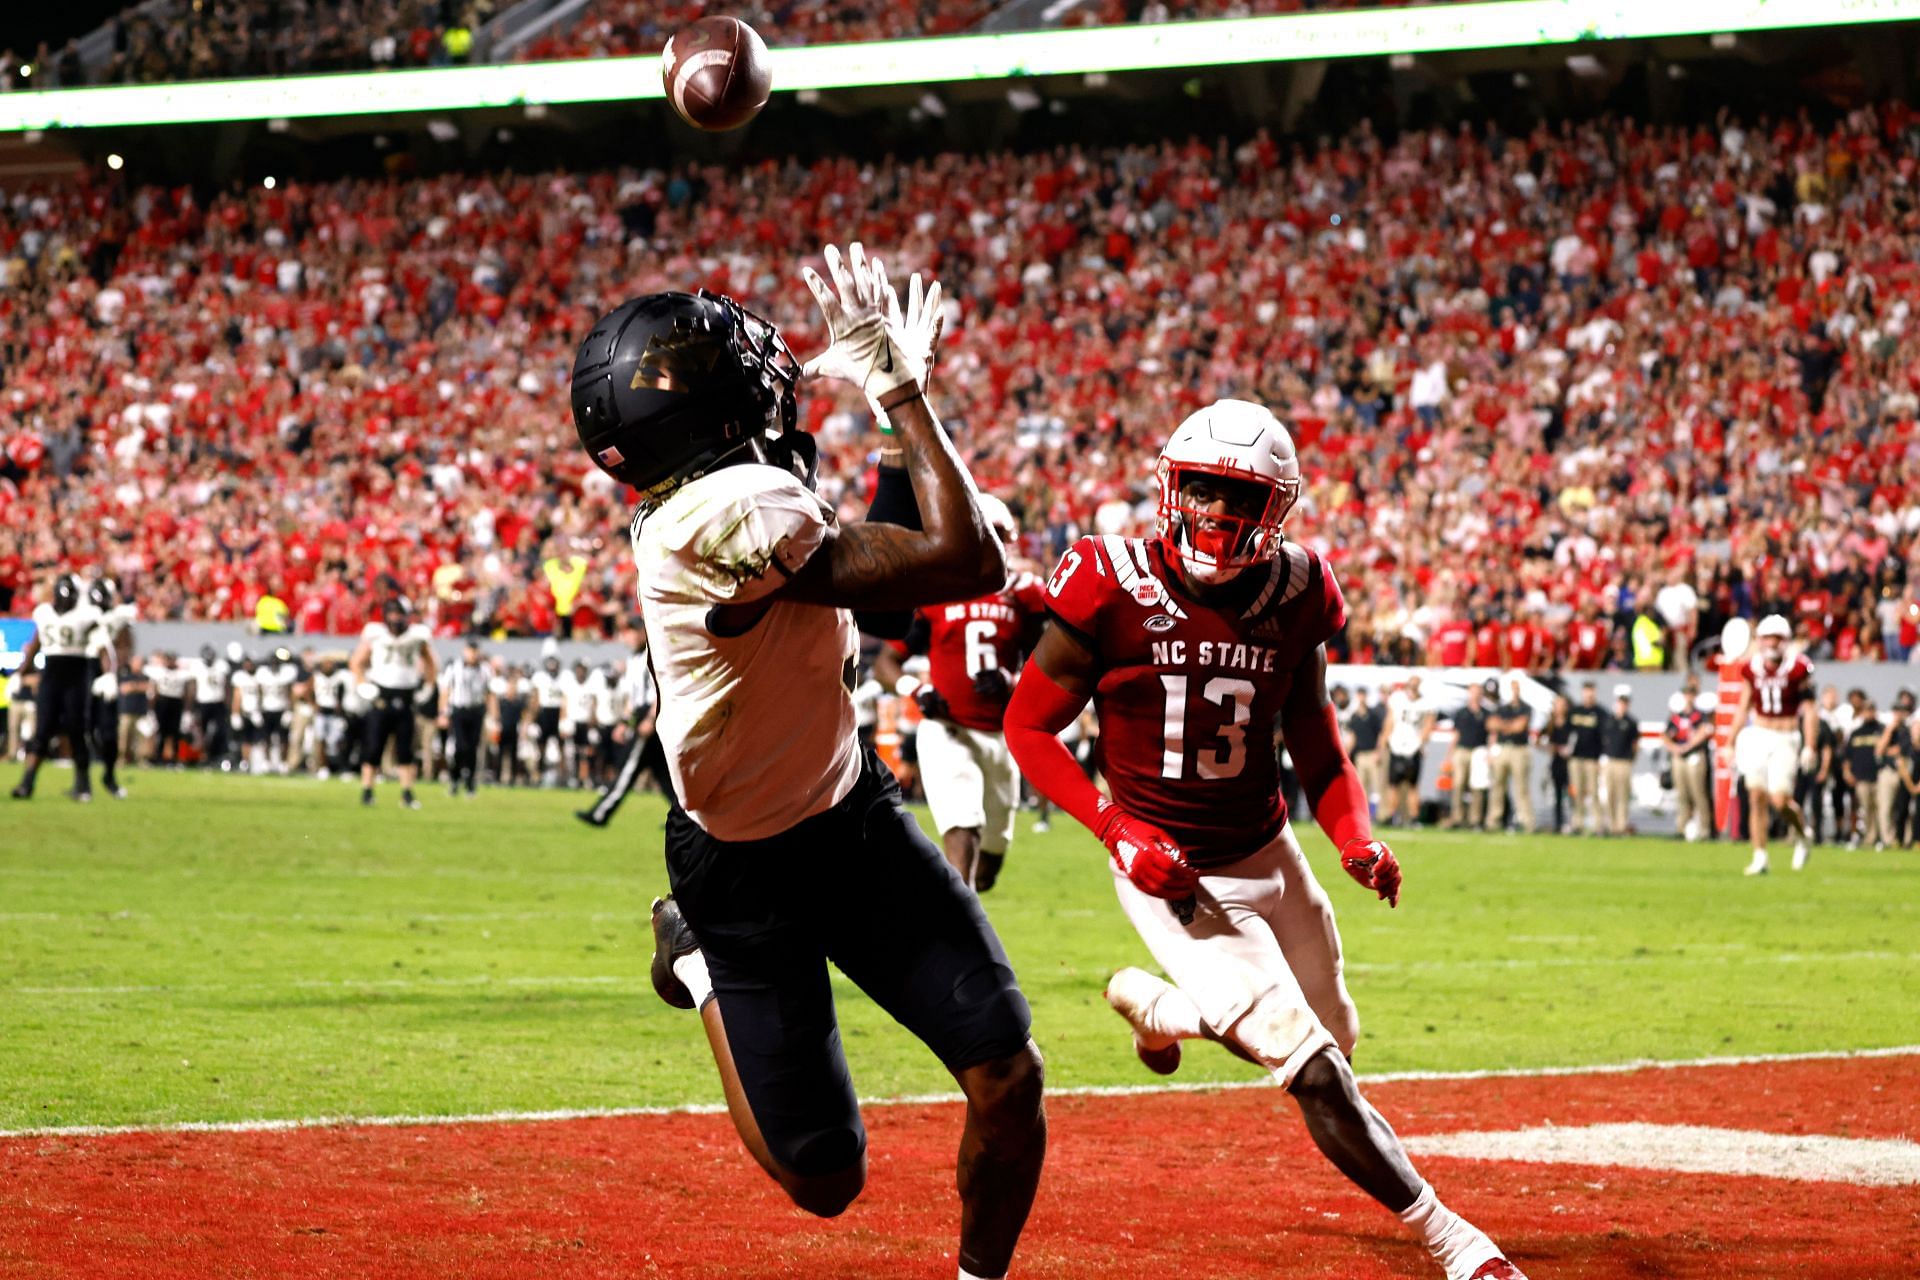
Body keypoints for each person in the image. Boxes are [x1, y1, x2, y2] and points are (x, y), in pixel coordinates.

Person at [578, 248, 1044, 1279]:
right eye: (722, 364)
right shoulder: (723, 512)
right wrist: (902, 393)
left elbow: (873, 593)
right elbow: (970, 560)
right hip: (740, 867)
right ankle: (696, 956)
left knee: (1008, 1073)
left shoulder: (719, 492)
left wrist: (887, 430)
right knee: (824, 1178)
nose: (759, 365)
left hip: (851, 818)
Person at [1004, 398, 1525, 1280]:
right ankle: (1456, 1243)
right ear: (1170, 486)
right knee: (1312, 1067)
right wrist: (1114, 828)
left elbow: (1318, 739)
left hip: (1270, 850)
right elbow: (1028, 728)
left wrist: (1355, 836)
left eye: (1238, 494)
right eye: (1202, 487)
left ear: (1276, 507)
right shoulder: (1107, 579)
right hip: (1171, 872)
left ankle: (1165, 1009)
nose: (1214, 509)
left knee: (1339, 1036)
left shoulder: (1298, 590)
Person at [876, 493, 1046, 891]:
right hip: (948, 728)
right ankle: (963, 937)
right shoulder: (936, 592)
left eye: (997, 536)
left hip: (1002, 734)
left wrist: (1012, 681)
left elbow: (1050, 664)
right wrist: (915, 690)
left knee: (988, 864)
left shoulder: (1027, 591)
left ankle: (966, 905)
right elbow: (887, 663)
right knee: (963, 830)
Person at [1730, 614, 1817, 875]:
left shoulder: (1798, 667)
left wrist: (1810, 745)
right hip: (1758, 733)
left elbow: (1810, 710)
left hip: (1786, 736)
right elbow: (1743, 707)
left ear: (1785, 640)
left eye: (1777, 637)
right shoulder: (1751, 668)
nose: (1772, 642)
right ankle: (1760, 856)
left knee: (1780, 800)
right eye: (1767, 637)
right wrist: (1728, 741)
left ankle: (1802, 835)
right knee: (1755, 795)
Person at [11, 573, 104, 802]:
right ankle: (27, 783)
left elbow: (103, 643)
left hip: (76, 675)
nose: (65, 602)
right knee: (42, 731)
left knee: (76, 730)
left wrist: (107, 674)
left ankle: (83, 785)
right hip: (51, 675)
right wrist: (20, 674)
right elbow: (36, 644)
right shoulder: (44, 613)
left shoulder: (86, 614)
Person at [349, 595, 438, 809]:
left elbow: (431, 664)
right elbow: (356, 662)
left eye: (399, 613)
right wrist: (362, 684)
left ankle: (407, 793)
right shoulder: (376, 634)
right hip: (381, 697)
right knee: (373, 748)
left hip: (406, 697)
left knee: (406, 751)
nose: (395, 618)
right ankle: (367, 791)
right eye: (392, 613)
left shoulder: (418, 636)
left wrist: (427, 686)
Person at [578, 647, 668, 827]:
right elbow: (633, 698)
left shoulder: (654, 652)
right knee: (664, 775)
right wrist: (625, 722)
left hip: (651, 713)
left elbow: (663, 686)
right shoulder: (634, 660)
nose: (626, 635)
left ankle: (601, 813)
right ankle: (687, 818)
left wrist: (651, 718)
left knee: (629, 768)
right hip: (642, 714)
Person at [86, 579, 136, 798]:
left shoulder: (118, 619)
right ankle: (82, 781)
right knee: (81, 730)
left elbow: (124, 647)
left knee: (109, 733)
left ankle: (109, 775)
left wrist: (111, 674)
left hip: (107, 680)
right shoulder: (82, 616)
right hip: (84, 677)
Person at [1381, 675, 1432, 826]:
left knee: (1412, 785)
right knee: (1393, 785)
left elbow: (1428, 725)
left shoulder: (1426, 703)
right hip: (1397, 745)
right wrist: (1385, 741)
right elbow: (1390, 721)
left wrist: (1420, 743)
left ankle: (1414, 818)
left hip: (1413, 747)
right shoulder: (1397, 700)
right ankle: (1392, 816)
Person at [1485, 676, 1533, 833]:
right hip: (1502, 749)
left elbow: (1520, 726)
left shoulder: (1525, 707)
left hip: (1519, 749)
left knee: (1521, 787)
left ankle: (1526, 821)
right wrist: (1510, 725)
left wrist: (1503, 726)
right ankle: (1493, 820)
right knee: (1497, 786)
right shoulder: (1502, 708)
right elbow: (1491, 724)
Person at [1663, 691, 1713, 842]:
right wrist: (1675, 748)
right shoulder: (1676, 717)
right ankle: (1682, 827)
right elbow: (1665, 735)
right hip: (1680, 758)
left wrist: (1688, 746)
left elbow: (1703, 731)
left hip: (1695, 756)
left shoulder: (1699, 715)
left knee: (1698, 793)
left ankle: (1705, 828)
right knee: (1682, 794)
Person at [1445, 682, 1491, 830]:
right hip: (1462, 750)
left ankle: (1475, 819)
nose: (1476, 695)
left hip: (1479, 751)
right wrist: (1449, 754)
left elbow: (1491, 735)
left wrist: (1490, 752)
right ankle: (1457, 818)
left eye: (1478, 692)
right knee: (1458, 784)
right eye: (1473, 692)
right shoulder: (1462, 712)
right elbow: (1456, 734)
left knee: (1477, 786)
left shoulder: (1486, 713)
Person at [1842, 699, 1884, 850]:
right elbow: (1847, 756)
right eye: (1866, 710)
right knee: (1865, 808)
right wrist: (1847, 772)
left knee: (1881, 808)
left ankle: (1881, 837)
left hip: (1879, 776)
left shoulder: (1882, 730)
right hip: (1861, 777)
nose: (1869, 713)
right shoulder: (1856, 733)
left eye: (1871, 710)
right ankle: (1870, 837)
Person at [1795, 700, 1839, 844]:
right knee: (1797, 802)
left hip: (1815, 768)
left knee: (1816, 803)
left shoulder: (1823, 726)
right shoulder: (1798, 724)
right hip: (1800, 769)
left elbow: (1827, 749)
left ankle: (1817, 834)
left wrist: (1824, 770)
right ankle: (1797, 832)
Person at [1599, 685, 1639, 836]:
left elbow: (1635, 745)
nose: (1622, 704)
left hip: (1624, 761)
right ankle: (1610, 824)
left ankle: (1621, 826)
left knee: (1622, 795)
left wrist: (1631, 760)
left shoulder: (1631, 722)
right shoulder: (1608, 720)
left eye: (1625, 701)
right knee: (1609, 794)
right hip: (1609, 760)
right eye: (1620, 701)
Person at [1566, 683, 1604, 835]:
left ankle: (1598, 824)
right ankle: (1577, 822)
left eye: (1591, 692)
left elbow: (1604, 738)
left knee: (1594, 792)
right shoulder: (1575, 711)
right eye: (1586, 692)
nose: (1588, 695)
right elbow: (1567, 732)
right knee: (1577, 792)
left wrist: (1601, 758)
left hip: (1592, 759)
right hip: (1576, 758)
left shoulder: (1600, 713)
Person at [1344, 685, 1385, 817]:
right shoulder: (1354, 717)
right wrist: (1347, 752)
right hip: (1360, 755)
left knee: (1377, 786)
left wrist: (1378, 752)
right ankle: (1364, 815)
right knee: (1362, 788)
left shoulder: (1373, 715)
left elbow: (1380, 734)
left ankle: (1380, 815)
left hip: (1372, 753)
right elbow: (1353, 736)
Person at [193, 644, 233, 770]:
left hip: (218, 703)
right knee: (202, 733)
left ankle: (218, 756)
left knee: (220, 731)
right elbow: (193, 686)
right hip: (203, 703)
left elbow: (227, 686)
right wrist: (191, 708)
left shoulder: (221, 666)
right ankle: (203, 757)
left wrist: (228, 704)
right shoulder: (197, 666)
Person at [148, 652, 192, 766]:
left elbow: (186, 692)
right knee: (162, 731)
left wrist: (187, 710)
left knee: (175, 733)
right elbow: (154, 691)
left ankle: (175, 758)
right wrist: (151, 709)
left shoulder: (181, 674)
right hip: (163, 702)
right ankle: (158, 757)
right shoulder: (159, 672)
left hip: (176, 703)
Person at [1544, 695, 1573, 833]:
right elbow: (1540, 740)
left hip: (1569, 763)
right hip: (1556, 762)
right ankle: (1558, 823)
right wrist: (1553, 748)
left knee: (1571, 793)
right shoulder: (1550, 723)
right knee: (1557, 795)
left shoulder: (1570, 723)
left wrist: (1568, 750)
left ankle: (1572, 822)